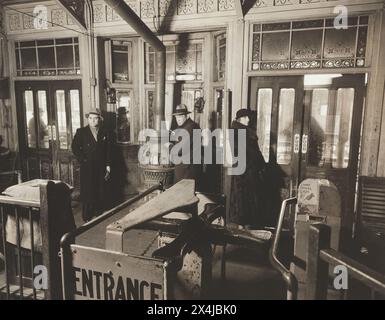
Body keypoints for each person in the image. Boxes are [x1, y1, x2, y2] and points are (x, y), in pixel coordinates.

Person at [71, 108, 111, 222]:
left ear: (99, 119)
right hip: (87, 166)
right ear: (88, 119)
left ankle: (98, 212)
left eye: (95, 118)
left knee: (99, 188)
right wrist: (82, 159)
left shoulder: (104, 132)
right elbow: (74, 147)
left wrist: (108, 165)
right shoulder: (81, 132)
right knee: (88, 190)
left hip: (100, 166)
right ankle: (87, 216)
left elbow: (108, 150)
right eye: (90, 118)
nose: (93, 121)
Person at [229, 108, 267, 229]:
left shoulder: (239, 131)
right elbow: (251, 152)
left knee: (242, 196)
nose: (249, 119)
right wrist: (260, 164)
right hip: (247, 170)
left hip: (243, 169)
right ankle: (246, 224)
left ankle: (244, 222)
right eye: (246, 117)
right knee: (246, 197)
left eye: (248, 117)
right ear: (240, 119)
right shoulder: (241, 132)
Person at [170, 104, 202, 186]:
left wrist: (169, 146)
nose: (178, 119)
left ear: (186, 116)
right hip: (184, 168)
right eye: (176, 117)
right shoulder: (185, 127)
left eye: (180, 117)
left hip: (187, 169)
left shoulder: (190, 127)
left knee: (184, 194)